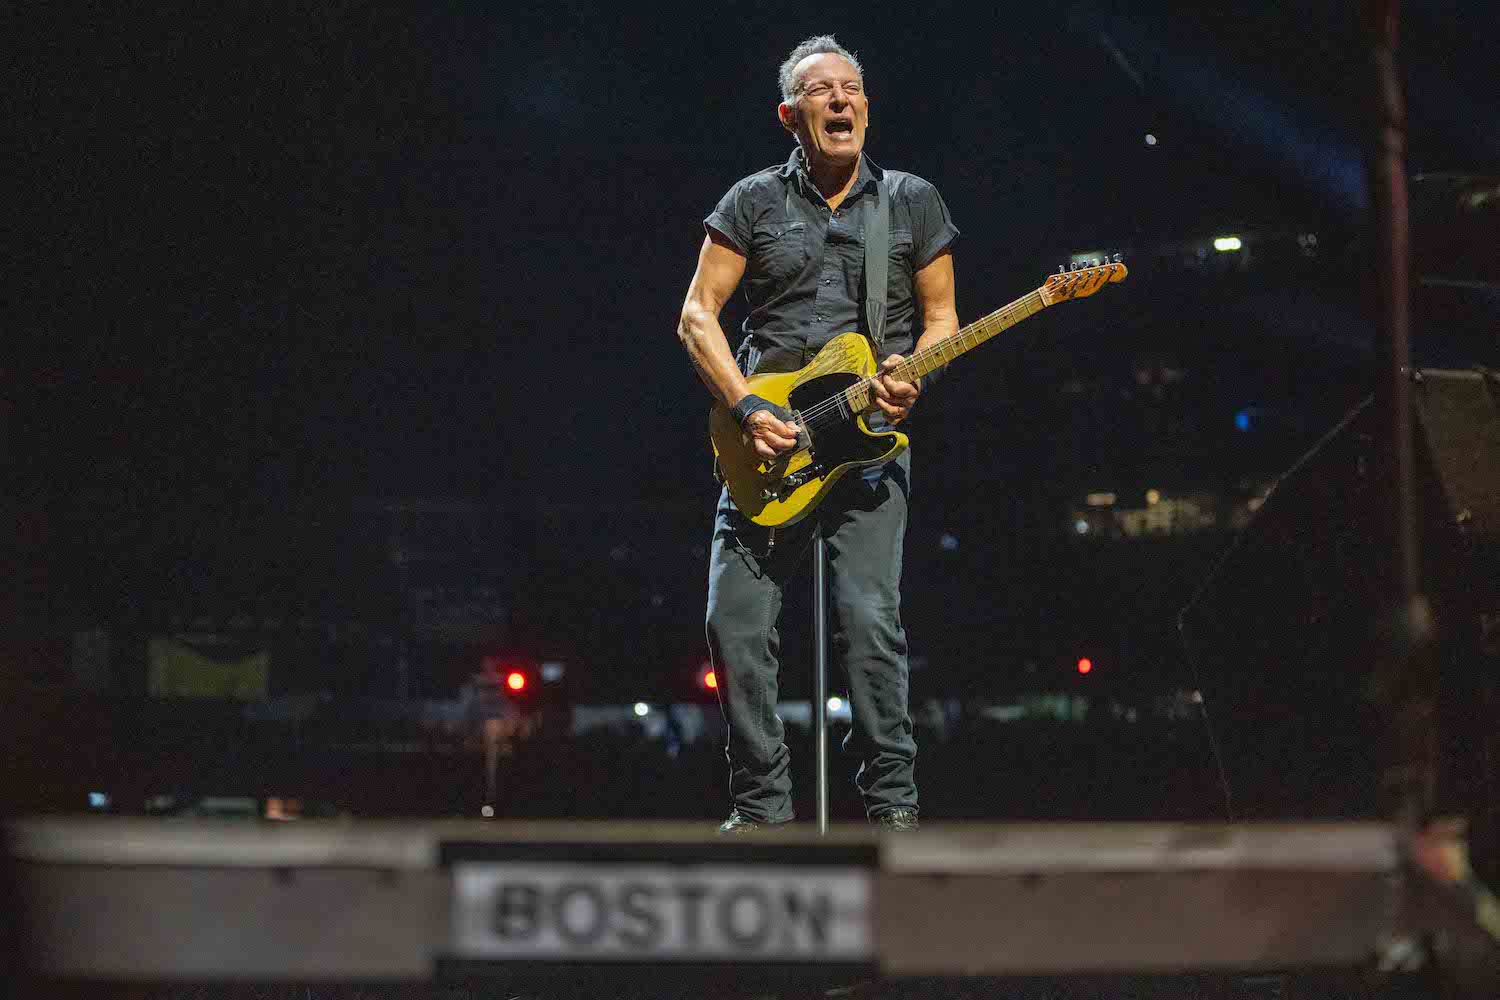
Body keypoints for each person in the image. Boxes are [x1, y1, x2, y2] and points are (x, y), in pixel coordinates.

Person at [676, 35, 960, 832]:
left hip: (869, 443)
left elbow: (941, 320)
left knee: (870, 623)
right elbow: (697, 317)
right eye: (822, 90)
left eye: (853, 88)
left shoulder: (911, 200)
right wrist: (747, 409)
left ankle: (892, 809)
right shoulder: (752, 202)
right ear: (790, 114)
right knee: (732, 625)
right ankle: (762, 812)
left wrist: (915, 374)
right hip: (772, 444)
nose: (842, 100)